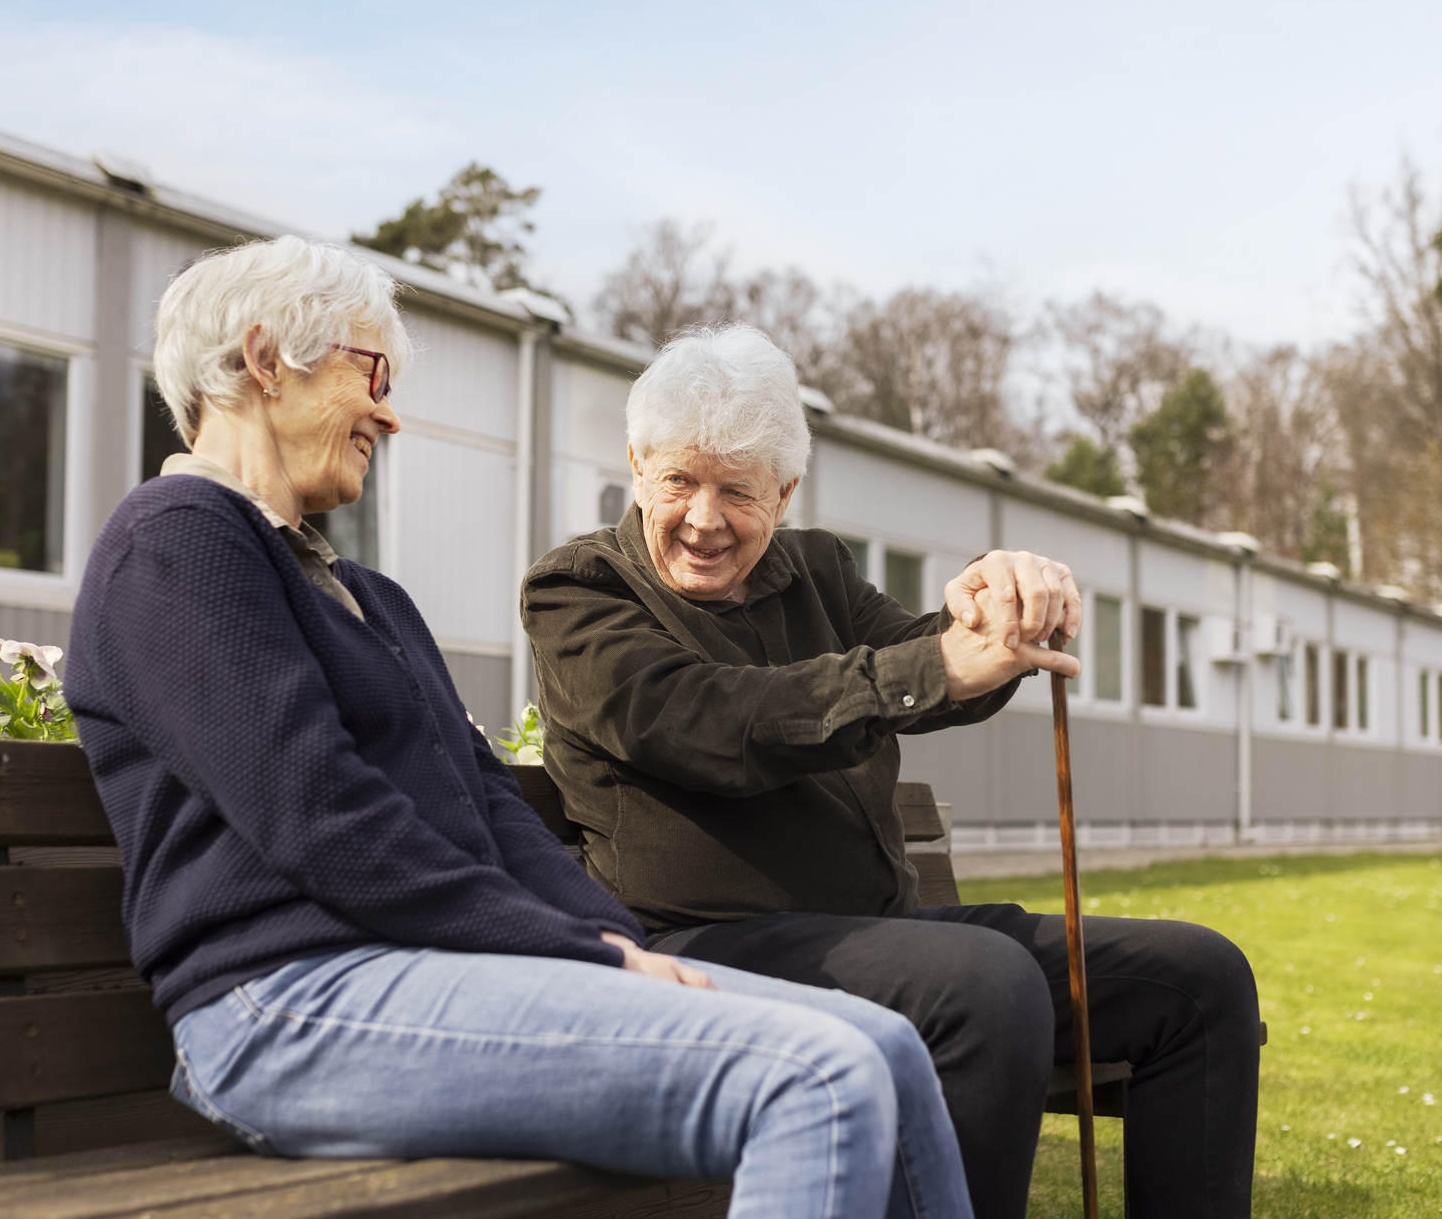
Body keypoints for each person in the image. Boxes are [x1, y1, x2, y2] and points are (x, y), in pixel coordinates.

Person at [65, 238, 972, 1219]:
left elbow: (493, 805)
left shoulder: (372, 600)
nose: (389, 410)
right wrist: (588, 955)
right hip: (287, 1003)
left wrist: (618, 945)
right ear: (263, 358)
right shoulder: (178, 538)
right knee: (818, 1078)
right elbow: (322, 818)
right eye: (372, 372)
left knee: (886, 1048)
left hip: (428, 979)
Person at [523, 323, 1263, 1219]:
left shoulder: (818, 571)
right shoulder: (578, 591)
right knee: (982, 985)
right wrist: (934, 667)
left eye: (738, 491)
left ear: (785, 493)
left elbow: (930, 656)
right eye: (679, 480)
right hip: (705, 949)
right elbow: (706, 719)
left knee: (1200, 978)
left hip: (884, 934)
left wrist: (997, 613)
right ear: (638, 464)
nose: (703, 517)